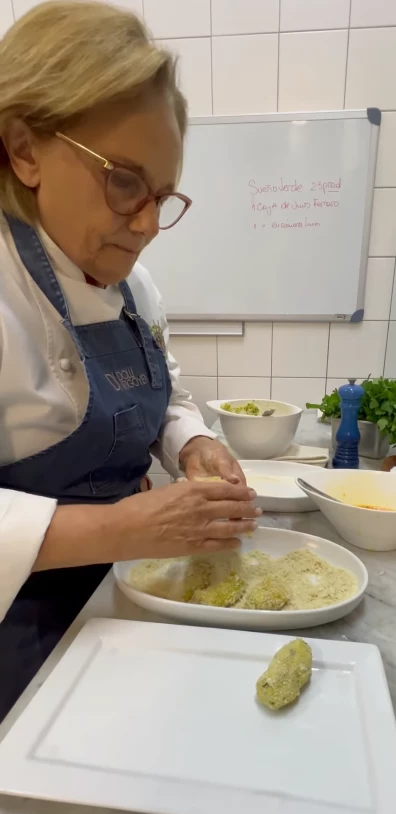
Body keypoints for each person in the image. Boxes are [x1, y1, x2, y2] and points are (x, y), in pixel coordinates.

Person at [0, 1, 260, 717]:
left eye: (161, 196)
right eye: (123, 181)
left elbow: (161, 391)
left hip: (118, 608)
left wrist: (192, 441)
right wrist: (128, 528)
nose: (147, 225)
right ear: (25, 150)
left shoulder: (130, 285)